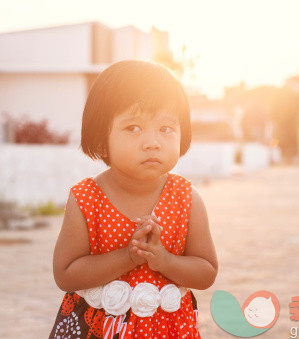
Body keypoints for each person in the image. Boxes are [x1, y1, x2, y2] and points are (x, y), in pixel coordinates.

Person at [49, 60, 218, 338]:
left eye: (166, 129)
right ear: (103, 139)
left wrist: (163, 260)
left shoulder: (187, 199)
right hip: (98, 330)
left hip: (168, 329)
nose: (152, 142)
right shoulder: (87, 199)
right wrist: (128, 256)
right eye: (134, 128)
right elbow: (66, 274)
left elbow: (206, 271)